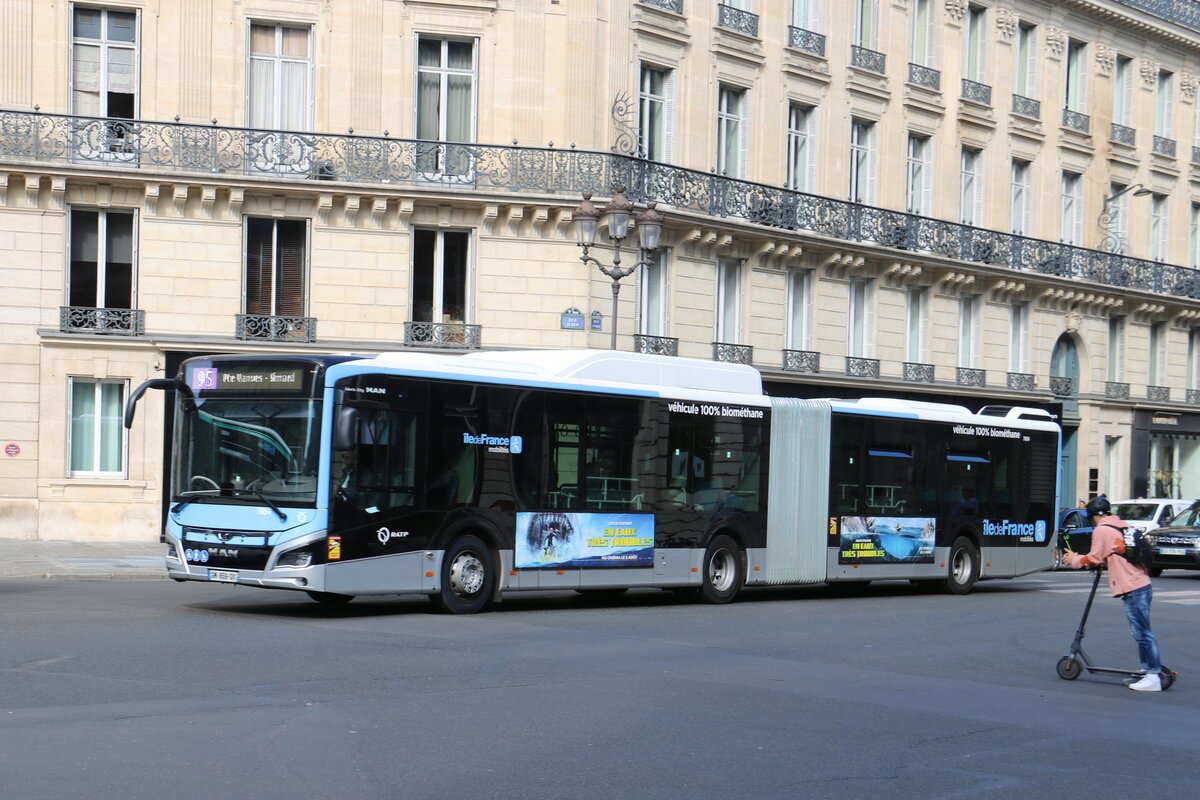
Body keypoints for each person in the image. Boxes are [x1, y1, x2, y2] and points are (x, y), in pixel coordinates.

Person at [1062, 496, 1163, 692]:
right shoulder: (1121, 525)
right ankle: (1145, 671)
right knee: (1140, 631)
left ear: (1092, 516)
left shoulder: (1102, 530)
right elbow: (1114, 554)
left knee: (1143, 633)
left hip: (1132, 586)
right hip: (1141, 584)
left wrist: (1074, 559)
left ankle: (1153, 675)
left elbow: (1094, 557)